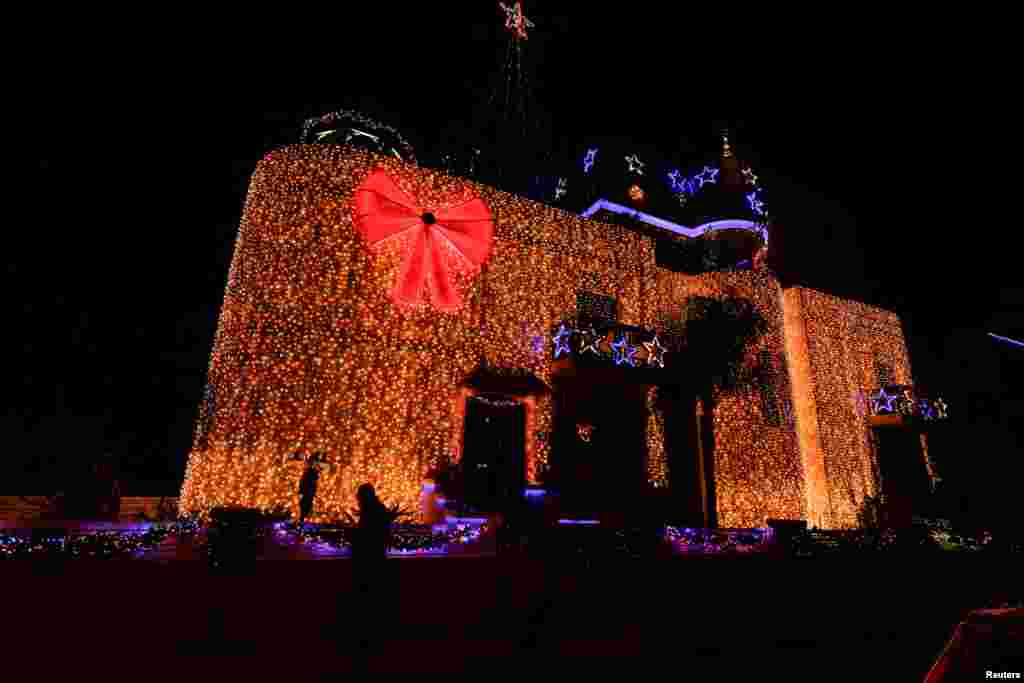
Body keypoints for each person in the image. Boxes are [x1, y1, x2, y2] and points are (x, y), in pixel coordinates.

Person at [350, 483, 394, 660]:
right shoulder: (377, 509)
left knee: (369, 598)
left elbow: (368, 536)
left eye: (359, 497)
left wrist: (356, 537)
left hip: (370, 561)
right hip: (376, 559)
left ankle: (369, 639)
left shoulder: (371, 512)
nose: (357, 500)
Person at [297, 459, 321, 528]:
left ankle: (303, 520)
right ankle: (303, 520)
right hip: (307, 493)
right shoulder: (309, 474)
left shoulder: (311, 474)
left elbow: (304, 483)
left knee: (305, 505)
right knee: (305, 505)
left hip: (308, 493)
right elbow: (303, 483)